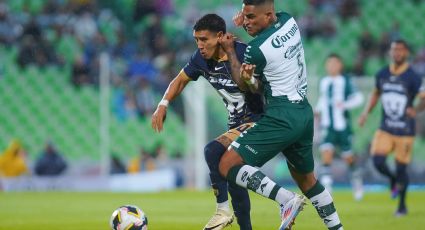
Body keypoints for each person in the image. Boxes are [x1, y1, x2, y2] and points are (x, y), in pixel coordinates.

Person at [218, 0, 343, 229]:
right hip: (304, 113)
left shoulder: (256, 50)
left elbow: (246, 86)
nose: (246, 21)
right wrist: (246, 22)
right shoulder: (288, 21)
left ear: (267, 15)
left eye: (251, 17)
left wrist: (230, 52)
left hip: (282, 116)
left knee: (227, 164)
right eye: (245, 16)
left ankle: (285, 200)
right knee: (307, 181)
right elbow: (265, 76)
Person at [151, 14, 264, 230]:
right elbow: (180, 80)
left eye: (204, 40)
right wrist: (163, 104)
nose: (200, 46)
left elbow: (261, 86)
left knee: (212, 151)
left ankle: (223, 211)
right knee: (234, 181)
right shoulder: (199, 59)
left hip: (259, 120)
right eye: (197, 40)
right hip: (235, 125)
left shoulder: (243, 52)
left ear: (220, 36)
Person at [358, 39, 425, 216]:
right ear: (390, 52)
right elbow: (376, 94)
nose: (397, 53)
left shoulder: (413, 76)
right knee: (378, 162)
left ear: (407, 53)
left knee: (402, 168)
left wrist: (416, 109)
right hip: (386, 128)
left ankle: (402, 205)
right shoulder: (382, 74)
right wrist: (366, 113)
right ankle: (393, 179)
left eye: (401, 50)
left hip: (405, 131)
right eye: (394, 49)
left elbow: (423, 97)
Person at [315, 53, 364, 200]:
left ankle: (357, 183)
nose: (332, 66)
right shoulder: (324, 81)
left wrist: (344, 105)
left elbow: (359, 98)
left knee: (348, 157)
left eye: (335, 63)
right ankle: (327, 191)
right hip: (328, 126)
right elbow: (323, 99)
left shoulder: (346, 81)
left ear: (340, 65)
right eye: (329, 63)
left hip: (342, 126)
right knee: (326, 154)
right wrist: (318, 111)